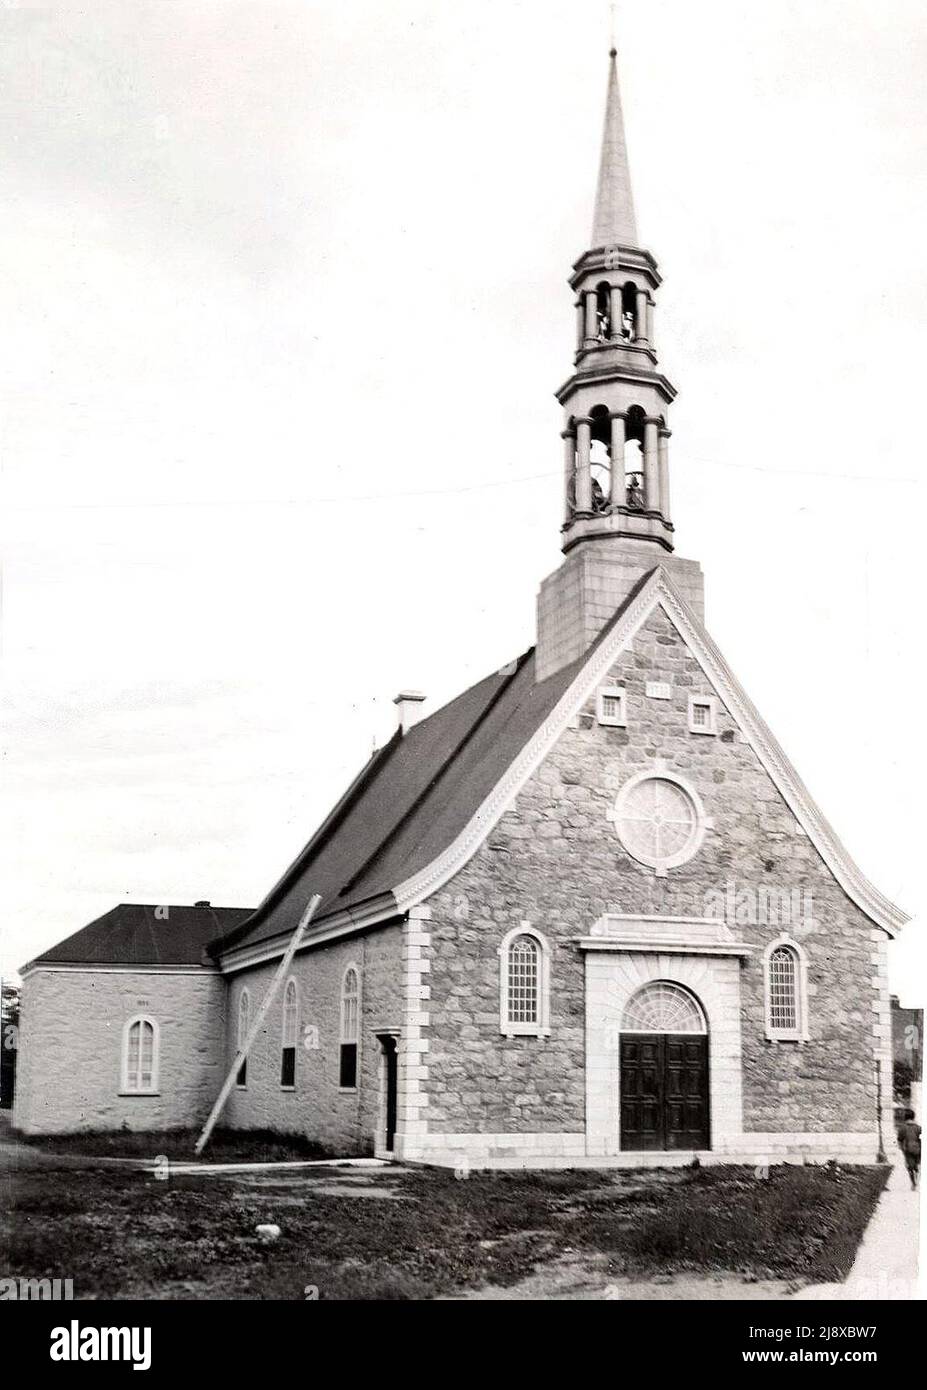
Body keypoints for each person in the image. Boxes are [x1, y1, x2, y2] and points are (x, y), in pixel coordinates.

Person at [897, 1108, 921, 1189]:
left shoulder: (902, 1128)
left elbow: (899, 1139)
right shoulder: (918, 1127)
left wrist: (901, 1148)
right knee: (917, 1165)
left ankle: (913, 1183)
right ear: (913, 1117)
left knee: (910, 1167)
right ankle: (917, 1178)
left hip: (907, 1149)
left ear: (905, 1117)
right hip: (918, 1149)